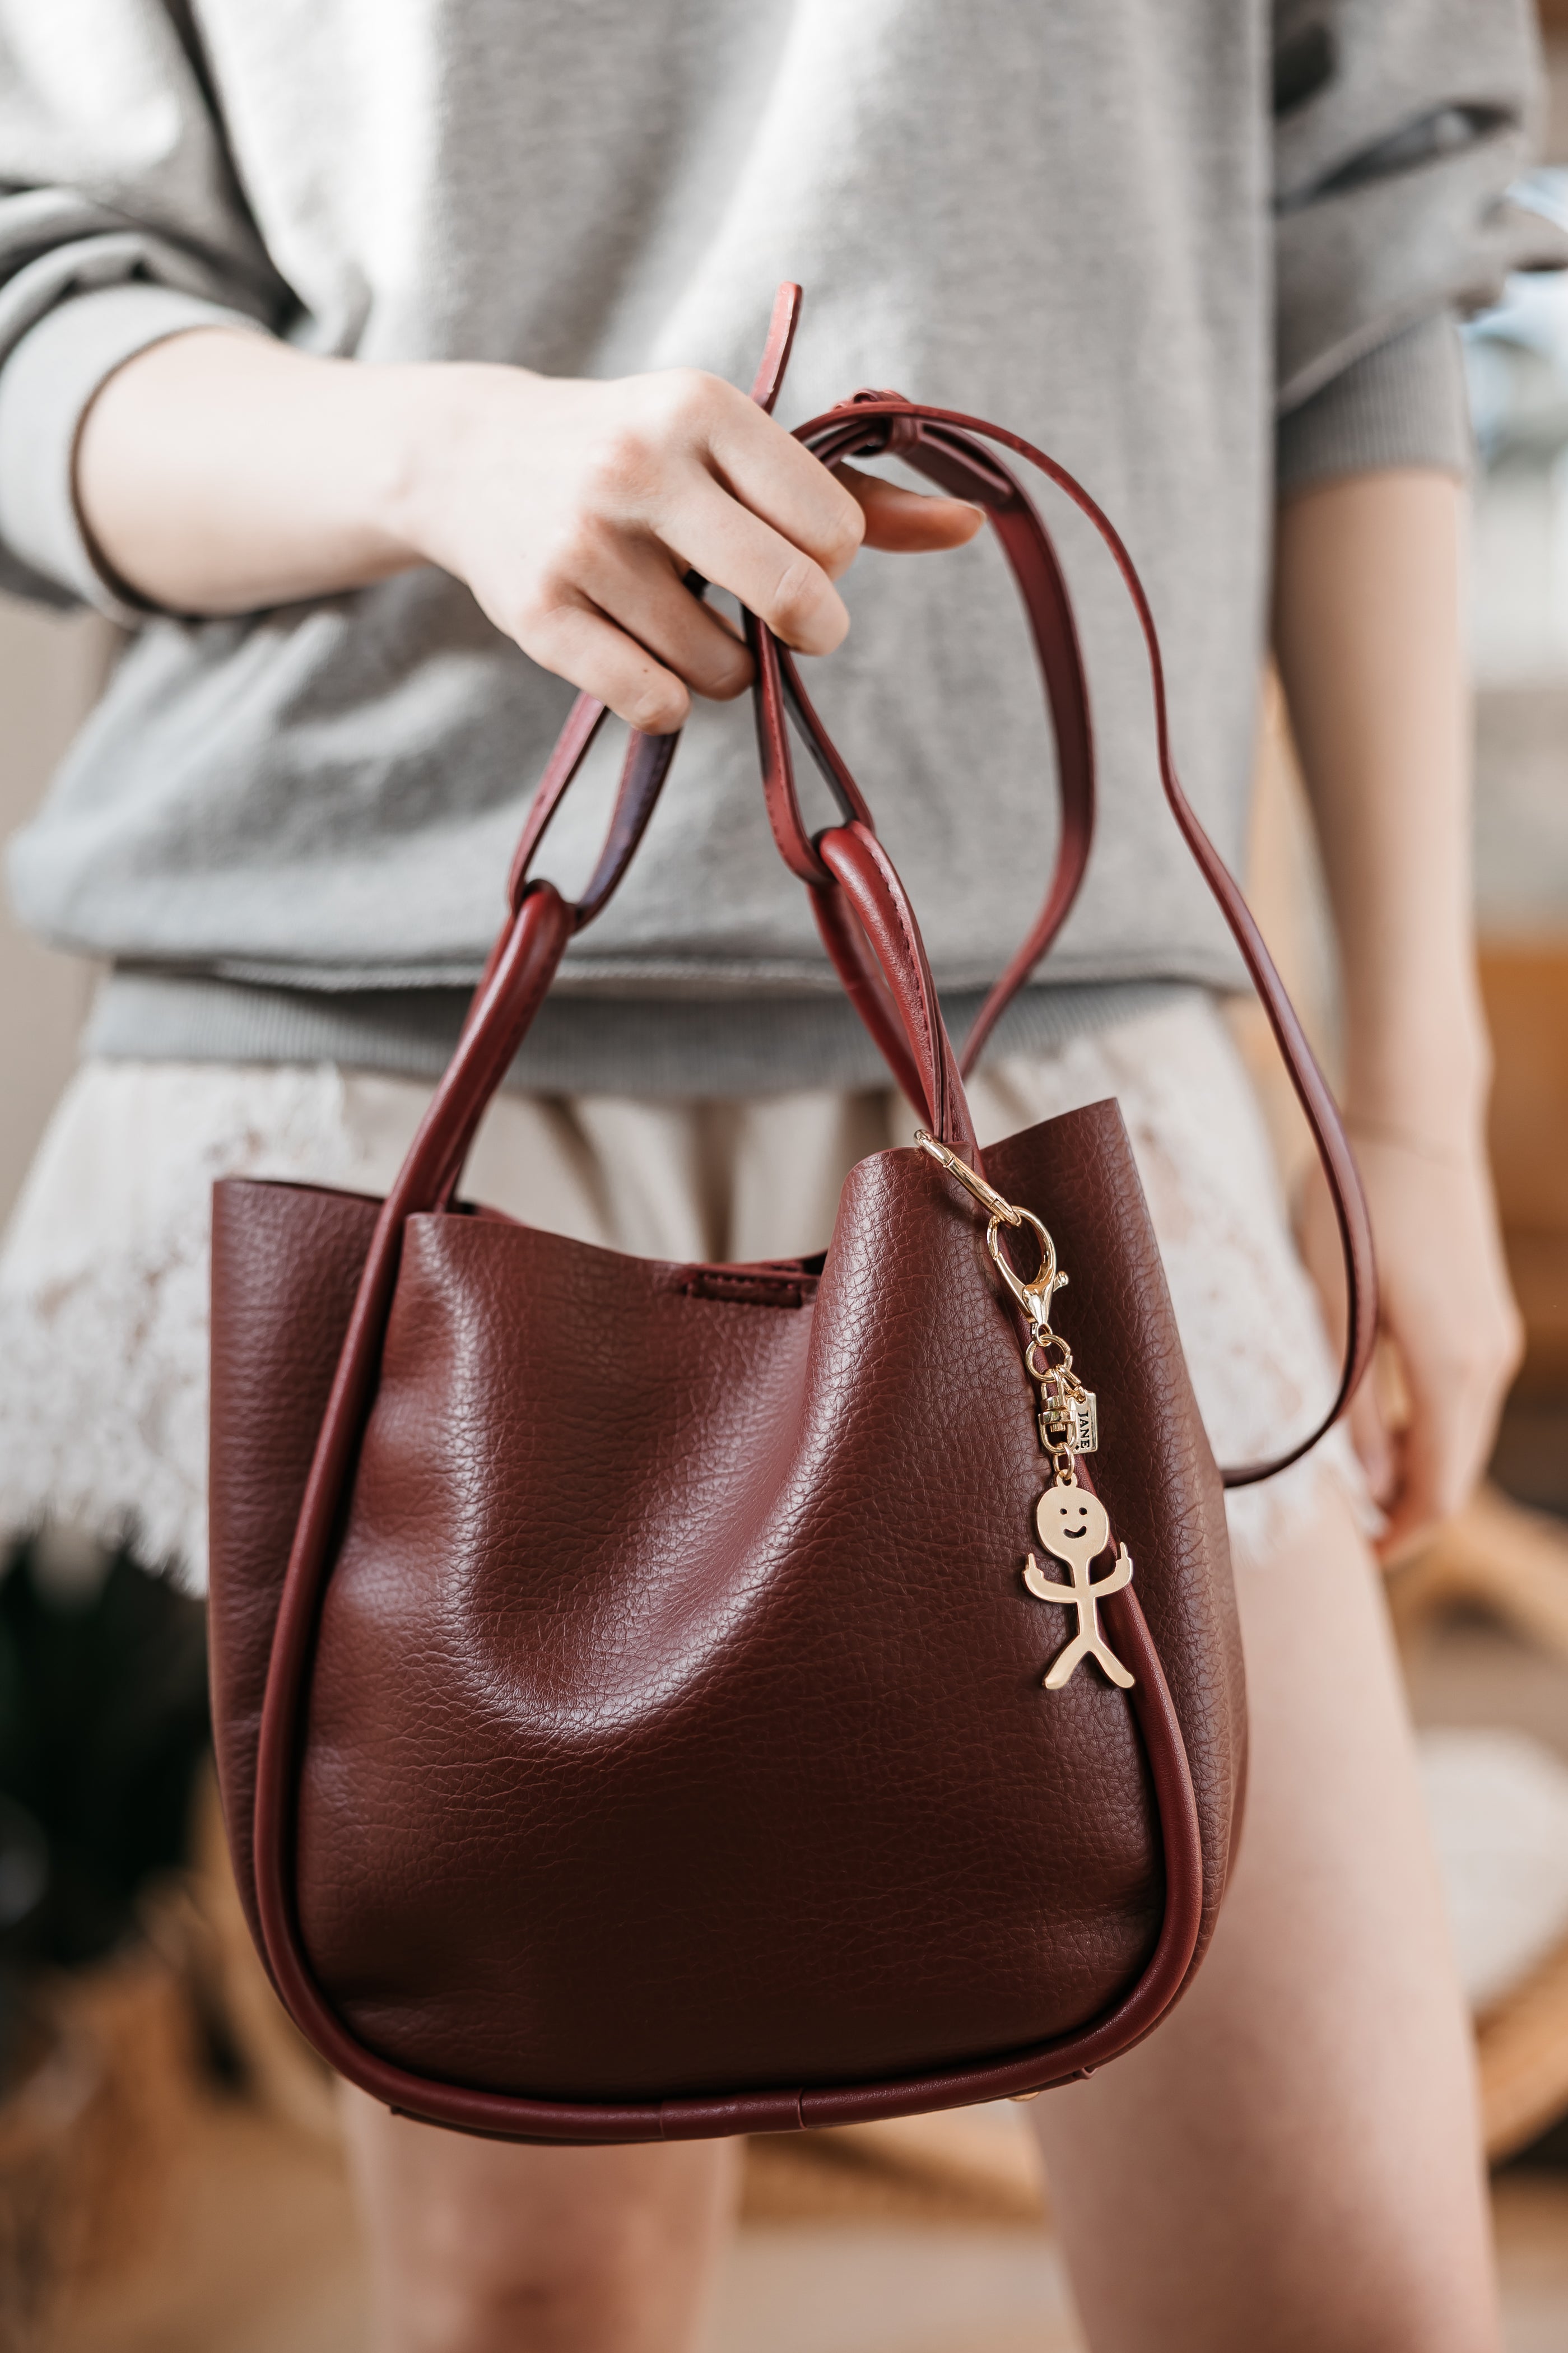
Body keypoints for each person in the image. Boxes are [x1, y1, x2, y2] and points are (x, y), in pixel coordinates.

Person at [0, 4, 1555, 2348]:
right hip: (399, 1069)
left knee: (1335, 2288)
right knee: (546, 2296)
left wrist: (1413, 1125)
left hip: (1040, 1077)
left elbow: (1368, 245)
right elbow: (41, 303)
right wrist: (439, 455)